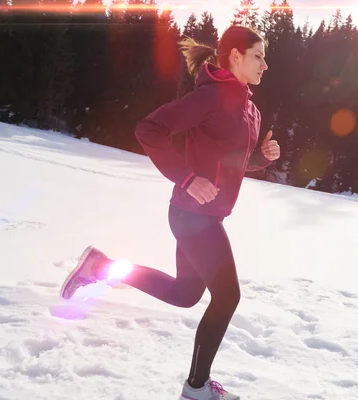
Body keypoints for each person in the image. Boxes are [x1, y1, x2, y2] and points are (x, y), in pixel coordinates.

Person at [59, 25, 279, 400]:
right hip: (193, 216)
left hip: (207, 217)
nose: (265, 64)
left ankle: (101, 267)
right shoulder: (210, 98)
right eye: (258, 55)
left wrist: (261, 158)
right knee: (227, 297)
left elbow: (232, 161)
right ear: (235, 56)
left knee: (185, 294)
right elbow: (150, 129)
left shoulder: (250, 109)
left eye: (264, 56)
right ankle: (195, 390)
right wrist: (187, 177)